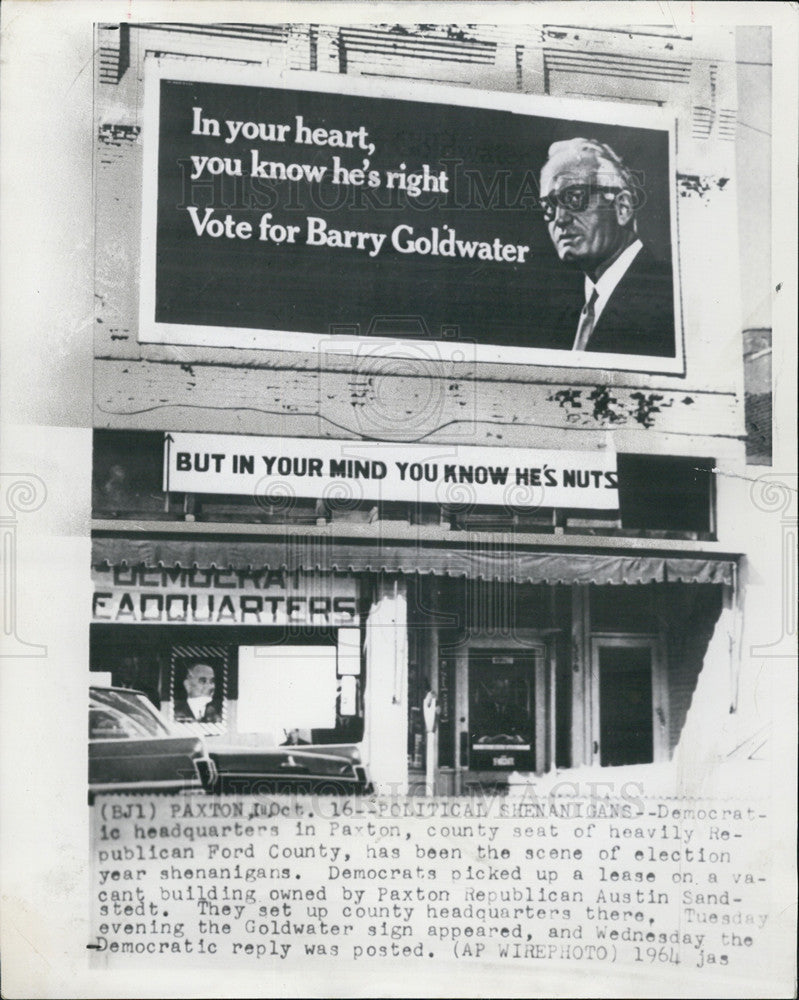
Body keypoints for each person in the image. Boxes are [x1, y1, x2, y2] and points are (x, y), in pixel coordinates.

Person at [538, 137, 675, 357]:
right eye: (548, 206)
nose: (559, 219)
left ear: (622, 208)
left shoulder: (671, 298)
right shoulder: (558, 316)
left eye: (574, 198)